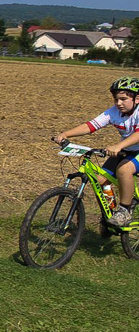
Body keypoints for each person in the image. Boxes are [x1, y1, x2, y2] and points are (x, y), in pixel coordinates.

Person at [55, 76, 139, 226]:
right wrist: (65, 134)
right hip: (126, 149)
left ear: (137, 98)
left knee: (124, 169)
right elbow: (91, 126)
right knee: (100, 181)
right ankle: (110, 216)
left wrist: (118, 146)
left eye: (123, 99)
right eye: (116, 99)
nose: (118, 103)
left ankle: (124, 211)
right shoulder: (114, 112)